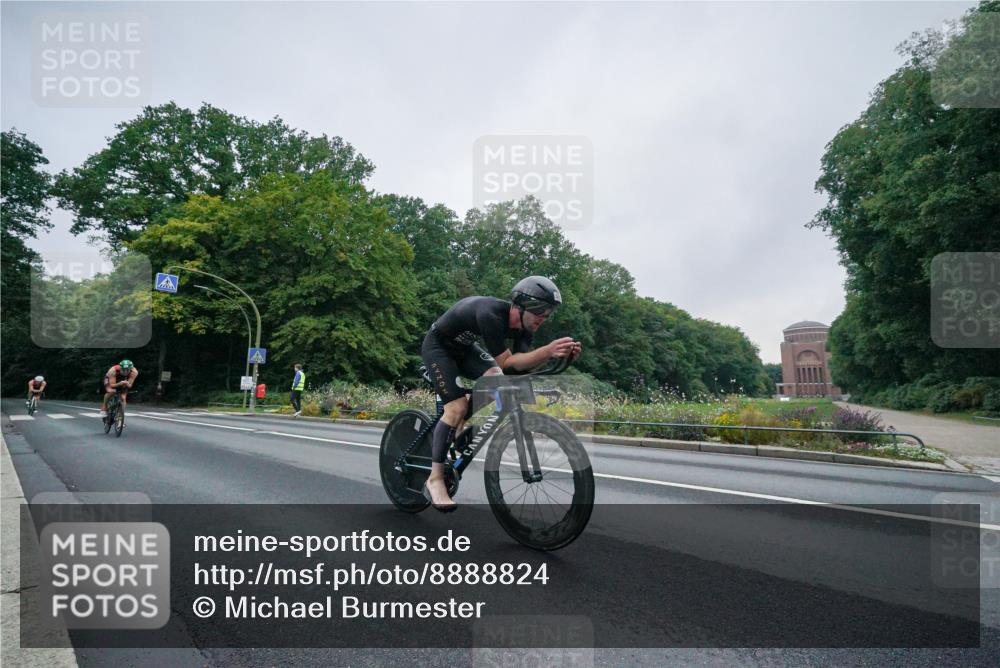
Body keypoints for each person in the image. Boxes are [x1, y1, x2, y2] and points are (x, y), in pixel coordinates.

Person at [421, 276, 581, 512]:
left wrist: (555, 357)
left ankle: (458, 427)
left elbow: (518, 369)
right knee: (456, 407)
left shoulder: (525, 329)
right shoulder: (491, 314)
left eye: (549, 313)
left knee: (496, 379)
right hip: (438, 347)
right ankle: (435, 479)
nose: (544, 317)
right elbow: (507, 363)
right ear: (521, 306)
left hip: (464, 349)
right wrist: (547, 351)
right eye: (541, 310)